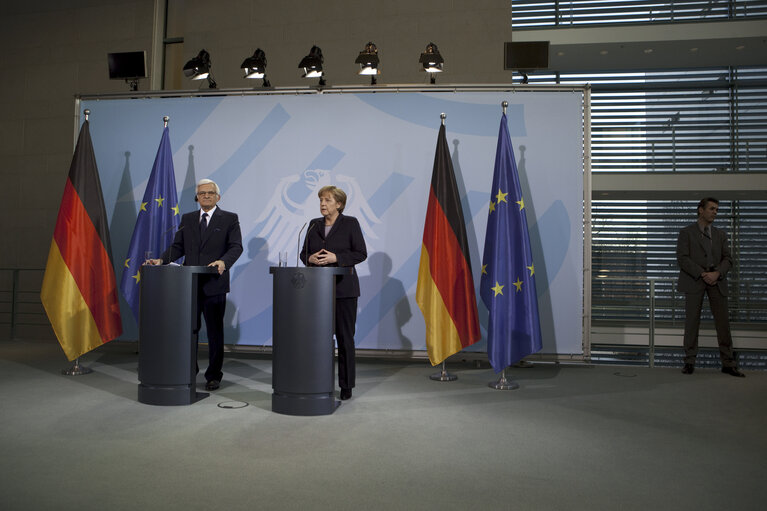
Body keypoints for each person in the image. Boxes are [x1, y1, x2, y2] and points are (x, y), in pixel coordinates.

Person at [147, 179, 243, 390]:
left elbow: (236, 247)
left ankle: (213, 375)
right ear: (197, 197)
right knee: (190, 329)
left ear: (218, 197)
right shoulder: (188, 219)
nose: (206, 196)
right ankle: (189, 370)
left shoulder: (229, 219)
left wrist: (223, 262)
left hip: (214, 283)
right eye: (202, 193)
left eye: (210, 193)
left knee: (214, 332)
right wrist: (161, 260)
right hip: (188, 284)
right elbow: (177, 247)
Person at [300, 185, 367, 400]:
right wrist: (308, 258)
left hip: (343, 291)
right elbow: (304, 253)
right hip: (317, 291)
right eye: (321, 200)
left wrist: (336, 258)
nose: (322, 204)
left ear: (339, 204)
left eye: (327, 200)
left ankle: (346, 386)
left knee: (345, 338)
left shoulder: (350, 223)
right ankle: (318, 381)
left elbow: (360, 253)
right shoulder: (313, 225)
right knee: (319, 339)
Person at [676, 197, 744, 377]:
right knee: (692, 323)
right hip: (694, 280)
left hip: (717, 282)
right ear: (701, 210)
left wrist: (717, 274)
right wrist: (702, 273)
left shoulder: (721, 234)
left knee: (723, 324)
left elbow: (728, 259)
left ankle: (728, 363)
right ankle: (689, 362)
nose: (715, 212)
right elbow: (682, 258)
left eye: (717, 209)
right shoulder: (686, 232)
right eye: (712, 209)